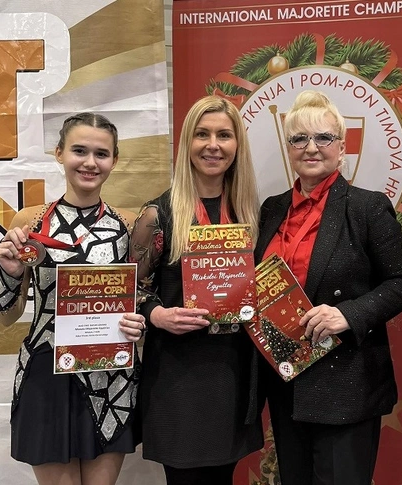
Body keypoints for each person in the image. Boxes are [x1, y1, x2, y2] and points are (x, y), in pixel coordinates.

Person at [254, 90, 402, 485]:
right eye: (299, 139)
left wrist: (349, 313)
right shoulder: (272, 208)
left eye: (323, 137)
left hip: (346, 381)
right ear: (289, 149)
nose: (311, 147)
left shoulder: (367, 207)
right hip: (285, 382)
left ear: (342, 148)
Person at [0, 112, 146, 485]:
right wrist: (10, 274)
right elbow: (5, 315)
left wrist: (140, 321)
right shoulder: (30, 222)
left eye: (101, 154)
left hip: (111, 375)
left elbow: (142, 300)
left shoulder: (131, 225)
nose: (90, 162)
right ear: (59, 153)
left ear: (114, 160)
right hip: (46, 373)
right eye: (79, 150)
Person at [130, 95, 263, 485]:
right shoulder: (158, 214)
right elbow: (130, 288)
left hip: (233, 373)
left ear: (237, 145)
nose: (213, 145)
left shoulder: (250, 212)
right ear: (187, 142)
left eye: (224, 135)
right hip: (178, 374)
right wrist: (157, 315)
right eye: (202, 134)